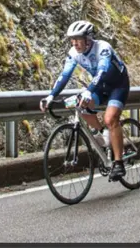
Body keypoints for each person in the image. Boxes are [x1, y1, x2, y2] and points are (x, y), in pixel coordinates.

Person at [40, 20, 130, 181]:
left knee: (110, 119)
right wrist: (51, 96)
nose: (74, 43)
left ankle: (118, 162)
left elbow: (102, 71)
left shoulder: (103, 48)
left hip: (118, 85)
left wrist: (88, 91)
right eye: (72, 39)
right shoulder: (74, 53)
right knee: (81, 107)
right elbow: (64, 75)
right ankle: (104, 134)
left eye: (78, 39)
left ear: (88, 38)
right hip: (99, 86)